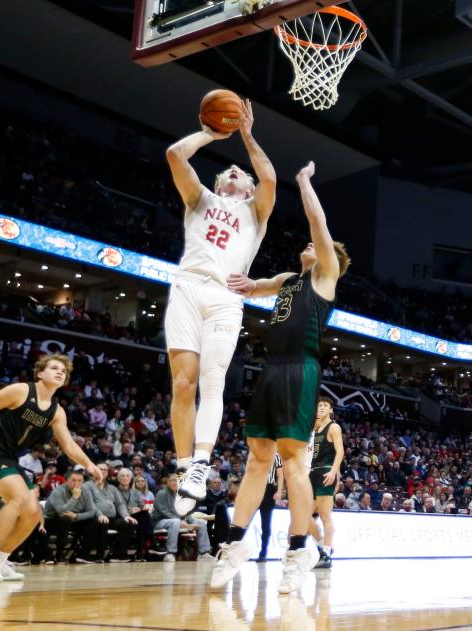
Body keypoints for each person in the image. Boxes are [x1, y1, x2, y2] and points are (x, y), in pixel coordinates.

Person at [210, 161, 351, 593]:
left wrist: (305, 182)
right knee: (256, 458)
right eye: (308, 245)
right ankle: (234, 546)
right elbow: (257, 286)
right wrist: (242, 283)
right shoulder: (291, 278)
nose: (309, 244)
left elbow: (317, 221)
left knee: (294, 462)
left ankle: (297, 551)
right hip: (272, 369)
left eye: (317, 245)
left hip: (301, 367)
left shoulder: (325, 275)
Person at [164, 98, 276, 516]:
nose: (236, 172)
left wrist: (246, 134)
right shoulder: (201, 199)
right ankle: (183, 467)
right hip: (189, 287)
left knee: (213, 381)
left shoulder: (255, 210)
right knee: (182, 384)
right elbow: (175, 155)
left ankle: (201, 463)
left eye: (241, 174)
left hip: (227, 297)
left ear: (247, 189)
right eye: (229, 170)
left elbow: (268, 176)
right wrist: (211, 133)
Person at [0, 354, 103, 582]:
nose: (60, 371)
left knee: (32, 512)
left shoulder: (56, 411)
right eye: (54, 367)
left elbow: (69, 445)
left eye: (63, 370)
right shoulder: (20, 391)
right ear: (40, 373)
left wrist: (89, 464)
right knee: (19, 497)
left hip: (8, 458)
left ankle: (0, 561)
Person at [306, 397, 344, 569]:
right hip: (311, 472)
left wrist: (335, 472)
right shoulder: (314, 428)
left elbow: (340, 451)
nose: (321, 407)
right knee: (304, 516)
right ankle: (322, 546)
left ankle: (326, 555)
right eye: (319, 405)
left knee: (324, 516)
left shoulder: (334, 427)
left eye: (325, 406)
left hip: (325, 471)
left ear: (331, 410)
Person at [152, 475, 214, 563]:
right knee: (175, 522)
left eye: (177, 481)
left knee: (201, 523)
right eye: (173, 480)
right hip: (158, 521)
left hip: (175, 521)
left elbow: (186, 512)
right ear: (168, 483)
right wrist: (181, 520)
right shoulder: (161, 493)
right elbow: (163, 511)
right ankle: (170, 553)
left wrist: (193, 522)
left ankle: (203, 553)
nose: (175, 483)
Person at [42, 469, 99, 563]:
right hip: (52, 521)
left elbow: (92, 512)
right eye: (73, 480)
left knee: (93, 521)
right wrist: (75, 497)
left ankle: (82, 554)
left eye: (80, 480)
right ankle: (59, 555)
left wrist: (76, 516)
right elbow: (61, 511)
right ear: (66, 480)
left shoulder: (86, 491)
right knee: (64, 520)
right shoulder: (58, 491)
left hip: (73, 519)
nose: (77, 483)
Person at [85, 461, 138, 562]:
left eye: (105, 469)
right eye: (100, 469)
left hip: (111, 519)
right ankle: (99, 556)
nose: (103, 471)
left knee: (129, 523)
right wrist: (99, 514)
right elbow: (89, 503)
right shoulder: (87, 485)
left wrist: (126, 516)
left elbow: (119, 504)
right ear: (94, 471)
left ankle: (117, 555)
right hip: (94, 518)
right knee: (102, 522)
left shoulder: (112, 488)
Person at [254, 454, 283, 562]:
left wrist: (279, 491)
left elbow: (280, 474)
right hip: (255, 486)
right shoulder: (256, 451)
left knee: (265, 524)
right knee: (244, 521)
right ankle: (236, 548)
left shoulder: (276, 455)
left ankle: (263, 553)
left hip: (268, 488)